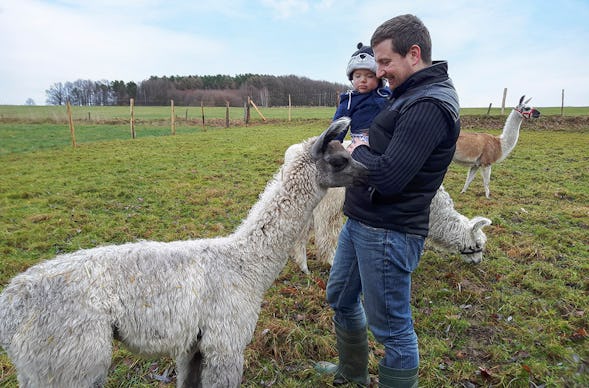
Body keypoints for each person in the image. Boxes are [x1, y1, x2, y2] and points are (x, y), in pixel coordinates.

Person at [316, 14, 460, 387]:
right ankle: (353, 372)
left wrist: (355, 149)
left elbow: (390, 177)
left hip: (389, 230)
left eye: (384, 62)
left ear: (414, 54)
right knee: (341, 298)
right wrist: (364, 151)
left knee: (392, 330)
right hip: (362, 219)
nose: (378, 72)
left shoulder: (428, 105)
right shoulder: (408, 93)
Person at [333, 42, 391, 144]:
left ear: (379, 78)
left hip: (386, 140)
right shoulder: (349, 100)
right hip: (360, 142)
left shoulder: (386, 94)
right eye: (358, 76)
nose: (363, 80)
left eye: (369, 76)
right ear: (352, 78)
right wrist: (334, 142)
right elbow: (339, 123)